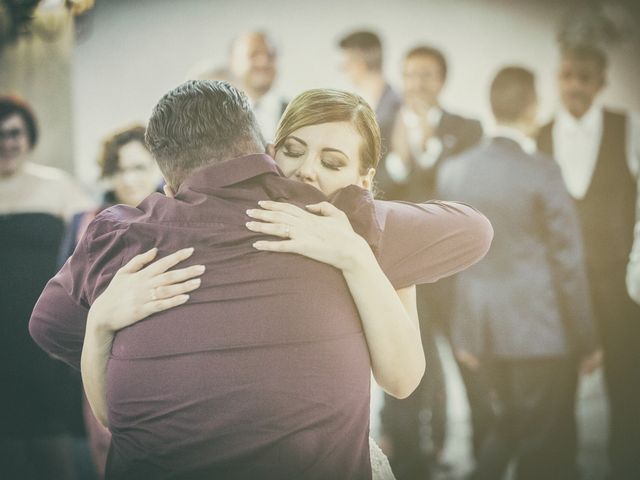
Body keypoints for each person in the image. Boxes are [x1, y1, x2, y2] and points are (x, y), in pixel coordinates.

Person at [30, 81, 492, 479]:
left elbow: (48, 324)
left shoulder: (351, 224)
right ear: (266, 152)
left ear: (363, 180)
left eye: (332, 162)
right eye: (293, 151)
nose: (307, 172)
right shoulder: (350, 222)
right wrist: (109, 326)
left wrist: (356, 250)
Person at [439, 66, 599, 480]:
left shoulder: (454, 171)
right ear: (531, 107)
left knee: (506, 428)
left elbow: (451, 262)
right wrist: (587, 339)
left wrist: (463, 332)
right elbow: (567, 261)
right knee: (546, 449)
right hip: (541, 333)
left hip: (483, 330)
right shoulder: (543, 170)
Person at [378, 45, 485, 479]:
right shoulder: (382, 127)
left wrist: (427, 147)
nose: (418, 83)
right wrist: (401, 152)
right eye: (411, 75)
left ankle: (485, 453)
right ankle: (408, 459)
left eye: (427, 75)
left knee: (467, 363)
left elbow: (464, 187)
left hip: (456, 269)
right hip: (403, 267)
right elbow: (380, 189)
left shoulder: (468, 128)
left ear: (442, 80)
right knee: (404, 362)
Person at [537, 43, 640, 479]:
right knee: (558, 386)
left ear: (601, 82)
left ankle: (627, 463)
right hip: (559, 286)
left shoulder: (627, 128)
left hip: (618, 282)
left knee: (628, 383)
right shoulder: (538, 136)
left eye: (585, 76)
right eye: (568, 75)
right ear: (558, 79)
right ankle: (561, 468)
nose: (575, 85)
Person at [58, 124, 162, 479]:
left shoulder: (178, 217)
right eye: (120, 169)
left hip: (165, 359)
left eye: (139, 167)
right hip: (104, 360)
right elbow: (65, 306)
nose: (129, 178)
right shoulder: (87, 225)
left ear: (158, 167)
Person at [0, 95, 94, 479]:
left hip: (42, 331)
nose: (6, 142)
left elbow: (96, 239)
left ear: (28, 136)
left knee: (53, 443)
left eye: (14, 133)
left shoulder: (56, 185)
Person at [338, 30, 402, 158]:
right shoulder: (371, 103)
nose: (343, 71)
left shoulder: (398, 109)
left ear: (359, 64)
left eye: (345, 65)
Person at [229, 31, 287, 140]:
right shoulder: (220, 115)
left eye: (270, 55)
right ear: (233, 61)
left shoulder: (296, 113)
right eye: (253, 54)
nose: (263, 62)